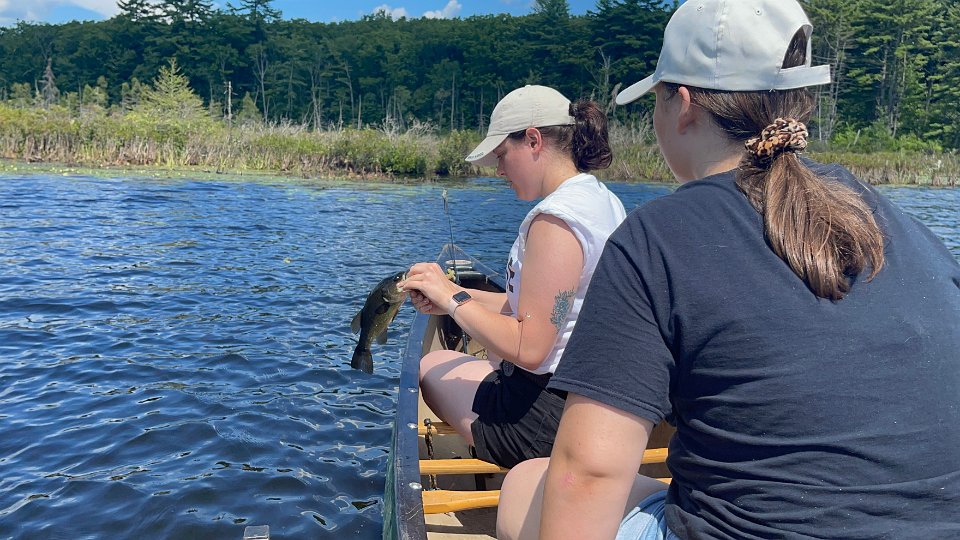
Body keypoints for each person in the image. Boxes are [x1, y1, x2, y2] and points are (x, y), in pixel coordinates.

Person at [496, 1, 960, 539]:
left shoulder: (656, 238)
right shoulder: (905, 227)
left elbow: (587, 475)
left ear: (683, 106)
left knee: (526, 486)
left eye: (657, 100)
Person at [400, 85, 627, 468]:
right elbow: (537, 305)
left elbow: (530, 348)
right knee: (487, 356)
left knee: (432, 366)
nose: (499, 170)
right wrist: (450, 292)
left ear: (534, 140)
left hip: (547, 420)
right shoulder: (601, 198)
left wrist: (453, 303)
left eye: (502, 155)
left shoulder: (555, 222)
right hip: (590, 398)